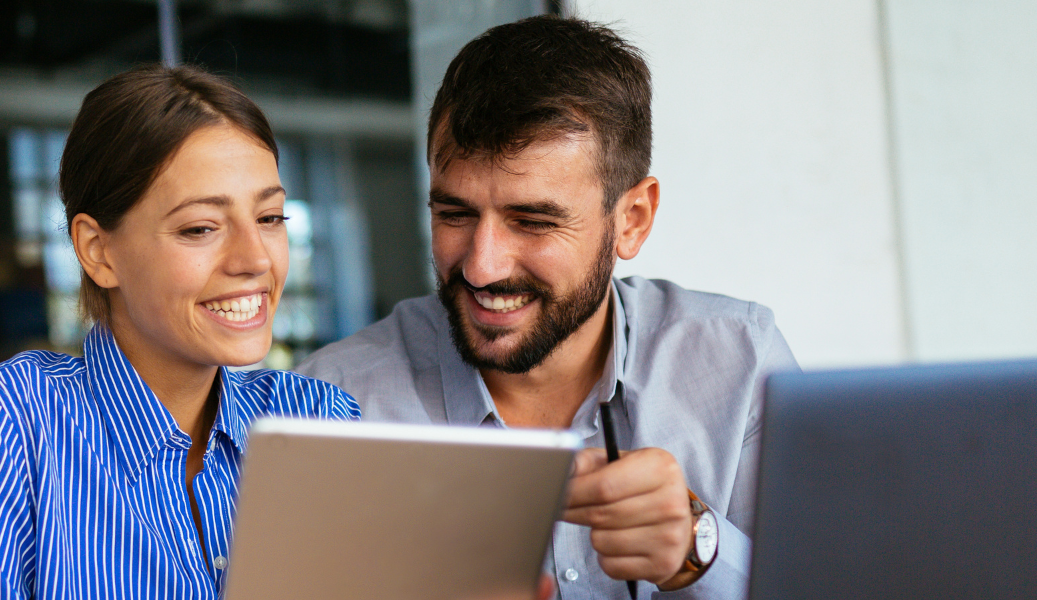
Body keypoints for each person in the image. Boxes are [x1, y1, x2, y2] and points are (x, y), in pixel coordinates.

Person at [298, 16, 797, 600]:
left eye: (532, 221)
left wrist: (699, 551)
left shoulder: (739, 360)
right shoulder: (335, 404)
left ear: (631, 221)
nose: (482, 267)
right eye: (454, 214)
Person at [0, 64, 359, 599]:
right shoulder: (3, 426)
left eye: (270, 218)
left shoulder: (322, 420)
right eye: (201, 228)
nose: (255, 259)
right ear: (97, 251)